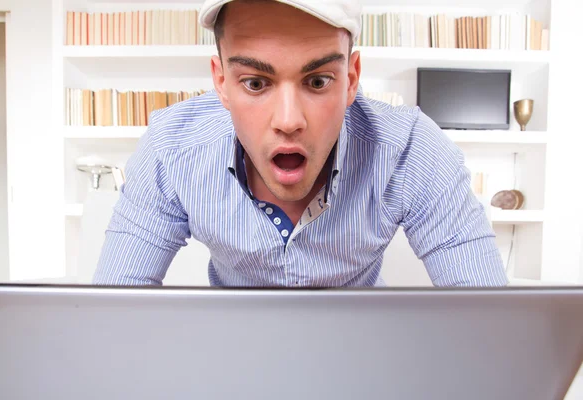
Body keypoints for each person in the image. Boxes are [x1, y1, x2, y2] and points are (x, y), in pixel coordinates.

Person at [92, 0, 508, 287]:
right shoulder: (172, 149)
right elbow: (114, 316)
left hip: (364, 365)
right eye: (255, 83)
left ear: (351, 78)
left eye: (317, 81)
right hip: (228, 364)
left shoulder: (411, 150)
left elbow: (492, 324)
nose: (288, 121)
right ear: (221, 81)